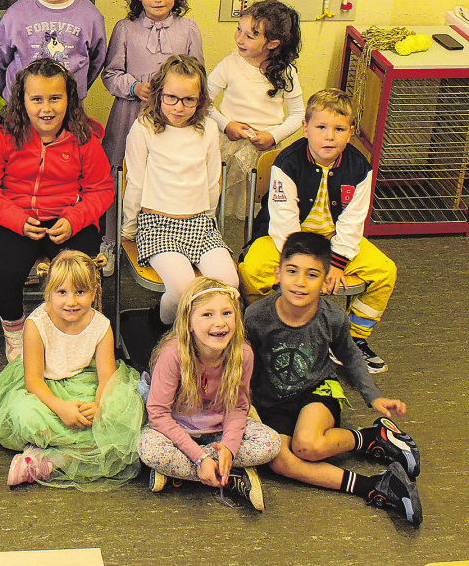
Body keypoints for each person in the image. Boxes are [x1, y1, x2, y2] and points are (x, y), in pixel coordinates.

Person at [244, 232, 422, 526]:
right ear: (278, 273)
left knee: (308, 447)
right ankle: (377, 483)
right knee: (280, 461)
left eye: (312, 274)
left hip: (317, 389)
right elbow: (242, 363)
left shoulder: (333, 317)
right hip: (271, 401)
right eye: (292, 271)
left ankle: (373, 436)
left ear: (326, 280)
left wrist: (372, 395)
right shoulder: (255, 316)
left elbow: (351, 357)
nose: (300, 282)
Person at [239, 88, 397, 373]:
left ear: (350, 133)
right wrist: (308, 266)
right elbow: (284, 223)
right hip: (284, 240)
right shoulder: (286, 163)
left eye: (339, 129)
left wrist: (336, 262)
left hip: (334, 242)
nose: (329, 136)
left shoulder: (360, 167)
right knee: (251, 270)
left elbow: (353, 221)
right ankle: (267, 330)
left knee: (386, 271)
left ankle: (351, 339)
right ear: (305, 128)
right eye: (321, 127)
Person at [0, 59, 113, 361]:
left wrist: (74, 220)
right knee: (3, 274)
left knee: (78, 275)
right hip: (15, 218)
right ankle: (15, 332)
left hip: (67, 219)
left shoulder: (84, 138)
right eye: (36, 99)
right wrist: (16, 219)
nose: (46, 108)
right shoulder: (5, 135)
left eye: (55, 98)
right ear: (22, 102)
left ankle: (70, 330)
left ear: (69, 99)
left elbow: (101, 190)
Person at [0, 251, 142, 489]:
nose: (71, 301)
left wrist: (97, 406)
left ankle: (50, 459)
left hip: (84, 381)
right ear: (48, 292)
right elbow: (33, 381)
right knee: (26, 416)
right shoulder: (37, 324)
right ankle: (65, 451)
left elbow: (107, 377)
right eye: (62, 292)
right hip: (43, 387)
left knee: (115, 418)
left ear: (94, 292)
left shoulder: (101, 326)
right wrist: (62, 408)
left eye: (80, 292)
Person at [99, 0, 203, 270]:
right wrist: (134, 87)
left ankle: (160, 241)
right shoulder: (125, 28)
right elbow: (110, 73)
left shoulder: (188, 29)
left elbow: (198, 76)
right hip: (130, 117)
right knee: (121, 176)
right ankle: (111, 240)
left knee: (164, 177)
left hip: (173, 122)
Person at [139, 278, 279, 510]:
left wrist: (228, 448)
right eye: (207, 315)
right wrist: (200, 457)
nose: (220, 323)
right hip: (177, 426)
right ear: (189, 323)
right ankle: (230, 478)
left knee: (271, 444)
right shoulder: (173, 354)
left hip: (218, 427)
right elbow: (158, 414)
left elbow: (238, 407)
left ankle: (184, 473)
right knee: (150, 450)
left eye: (226, 313)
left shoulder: (242, 353)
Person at [122, 55, 238, 326]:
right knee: (182, 288)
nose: (179, 107)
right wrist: (129, 228)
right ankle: (164, 328)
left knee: (228, 286)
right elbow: (135, 181)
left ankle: (201, 335)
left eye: (189, 100)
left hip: (200, 223)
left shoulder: (208, 128)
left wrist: (208, 218)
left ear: (200, 100)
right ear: (159, 94)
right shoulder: (144, 128)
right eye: (171, 97)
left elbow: (212, 180)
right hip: (158, 224)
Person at [207, 0, 304, 217]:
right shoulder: (230, 64)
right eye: (239, 30)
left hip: (265, 150)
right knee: (217, 200)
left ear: (273, 43)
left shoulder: (285, 73)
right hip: (228, 144)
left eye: (250, 36)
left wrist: (273, 135)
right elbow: (203, 102)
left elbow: (298, 114)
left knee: (258, 208)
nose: (240, 39)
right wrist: (226, 124)